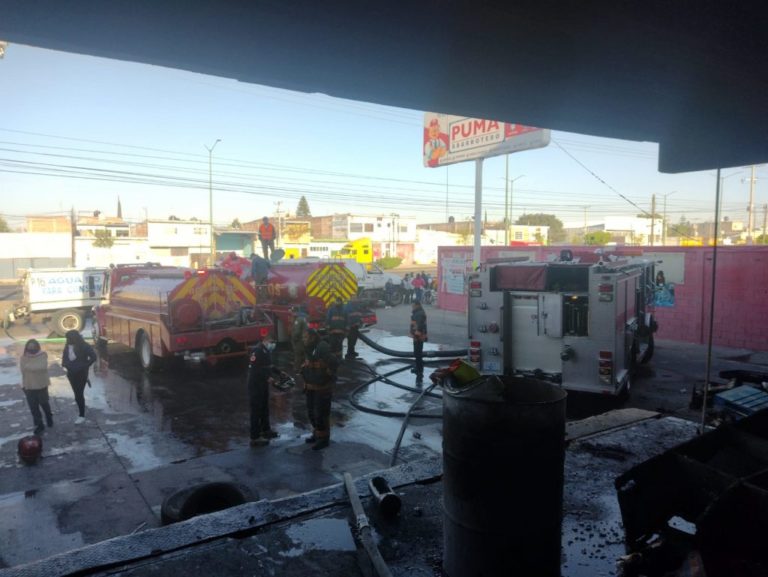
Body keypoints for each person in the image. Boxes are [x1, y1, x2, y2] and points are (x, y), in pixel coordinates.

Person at [300, 329, 338, 450]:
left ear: (312, 337)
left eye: (305, 337)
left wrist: (327, 375)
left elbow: (334, 361)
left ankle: (324, 439)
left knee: (321, 414)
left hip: (322, 388)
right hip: (310, 386)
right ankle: (317, 434)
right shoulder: (309, 348)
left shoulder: (322, 347)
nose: (303, 339)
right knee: (311, 412)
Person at [246, 333, 280, 447]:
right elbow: (254, 369)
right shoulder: (257, 351)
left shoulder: (266, 351)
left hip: (263, 384)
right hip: (255, 384)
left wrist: (279, 372)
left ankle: (266, 430)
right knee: (256, 410)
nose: (273, 344)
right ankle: (255, 437)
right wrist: (267, 377)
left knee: (264, 408)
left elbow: (268, 366)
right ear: (265, 340)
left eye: (274, 342)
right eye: (272, 342)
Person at [61, 330, 97, 424]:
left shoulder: (84, 346)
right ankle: (79, 403)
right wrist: (66, 364)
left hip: (81, 373)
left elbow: (93, 357)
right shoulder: (68, 346)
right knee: (76, 392)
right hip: (71, 373)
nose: (67, 340)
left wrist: (85, 365)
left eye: (69, 338)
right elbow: (64, 358)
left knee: (79, 393)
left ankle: (82, 415)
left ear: (74, 338)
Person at [19, 339, 53, 435]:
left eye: (33, 346)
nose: (31, 348)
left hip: (41, 385)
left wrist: (28, 366)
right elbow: (23, 370)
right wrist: (24, 384)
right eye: (29, 346)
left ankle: (49, 417)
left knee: (44, 403)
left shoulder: (42, 355)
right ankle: (39, 425)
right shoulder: (23, 357)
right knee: (33, 407)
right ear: (26, 347)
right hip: (29, 385)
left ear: (37, 346)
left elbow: (42, 367)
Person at [410, 302, 428, 381]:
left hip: (418, 336)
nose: (412, 307)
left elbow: (420, 324)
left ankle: (419, 370)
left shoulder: (419, 313)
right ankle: (418, 368)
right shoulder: (418, 312)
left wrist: (417, 334)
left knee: (418, 353)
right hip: (417, 335)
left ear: (417, 305)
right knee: (417, 353)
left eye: (413, 305)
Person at [291, 305, 309, 371]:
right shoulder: (304, 317)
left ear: (295, 312)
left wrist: (294, 339)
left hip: (300, 340)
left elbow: (297, 332)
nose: (292, 313)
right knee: (305, 354)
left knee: (298, 355)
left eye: (293, 312)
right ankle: (306, 368)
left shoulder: (298, 320)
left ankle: (297, 369)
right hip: (305, 339)